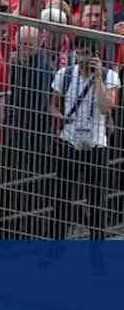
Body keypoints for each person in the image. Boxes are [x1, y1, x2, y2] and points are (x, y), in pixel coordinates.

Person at [49, 36, 119, 240]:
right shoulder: (65, 75)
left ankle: (96, 251)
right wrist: (60, 116)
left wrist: (97, 78)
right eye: (79, 52)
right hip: (69, 140)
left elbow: (106, 108)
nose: (83, 58)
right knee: (62, 198)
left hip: (96, 143)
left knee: (96, 201)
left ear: (96, 55)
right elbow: (53, 104)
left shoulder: (109, 77)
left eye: (88, 53)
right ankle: (56, 247)